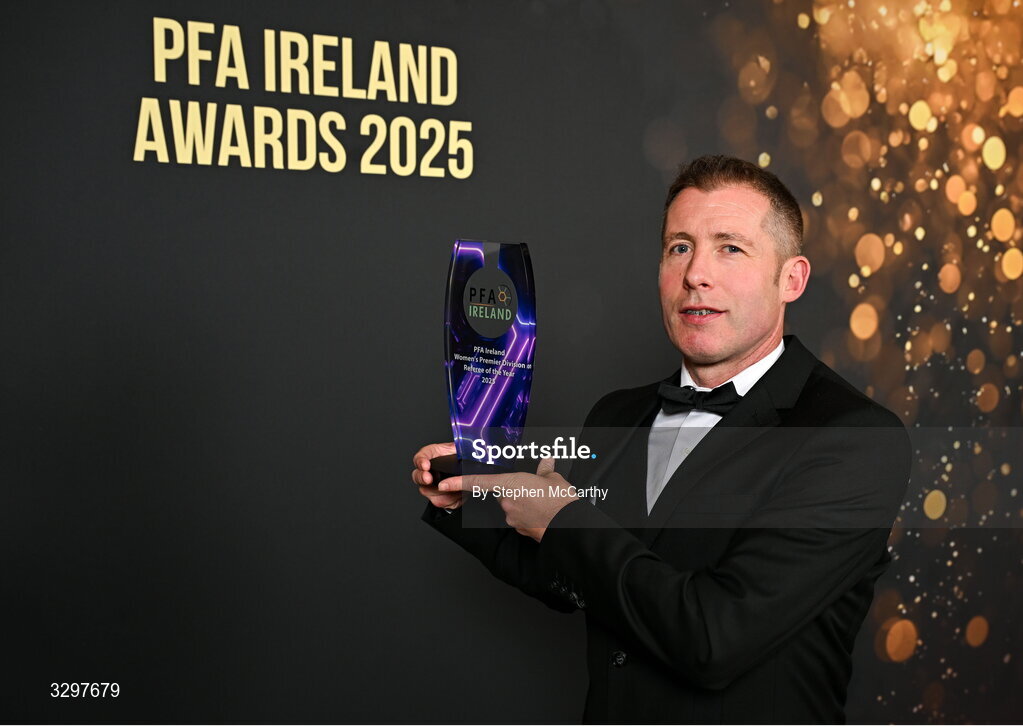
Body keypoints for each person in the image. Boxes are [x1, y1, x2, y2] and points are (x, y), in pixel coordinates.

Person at [412, 155, 910, 724]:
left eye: (730, 248)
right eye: (679, 247)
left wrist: (562, 518)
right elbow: (575, 578)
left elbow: (712, 637)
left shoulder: (854, 438)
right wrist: (469, 497)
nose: (697, 272)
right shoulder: (617, 413)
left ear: (790, 279)